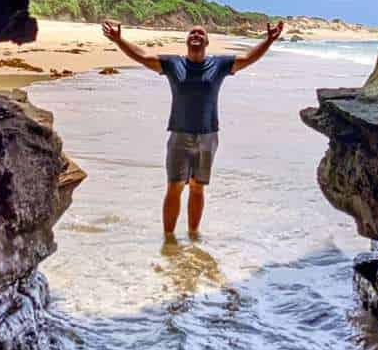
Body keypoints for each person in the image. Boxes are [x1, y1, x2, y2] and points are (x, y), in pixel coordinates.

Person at [101, 19, 284, 237]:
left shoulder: (219, 65)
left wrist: (269, 40)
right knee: (175, 186)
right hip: (179, 134)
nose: (196, 35)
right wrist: (119, 40)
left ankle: (193, 235)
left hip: (208, 136)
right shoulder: (173, 64)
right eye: (192, 33)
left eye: (200, 33)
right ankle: (168, 239)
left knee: (197, 187)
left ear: (206, 41)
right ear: (187, 40)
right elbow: (142, 57)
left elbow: (248, 58)